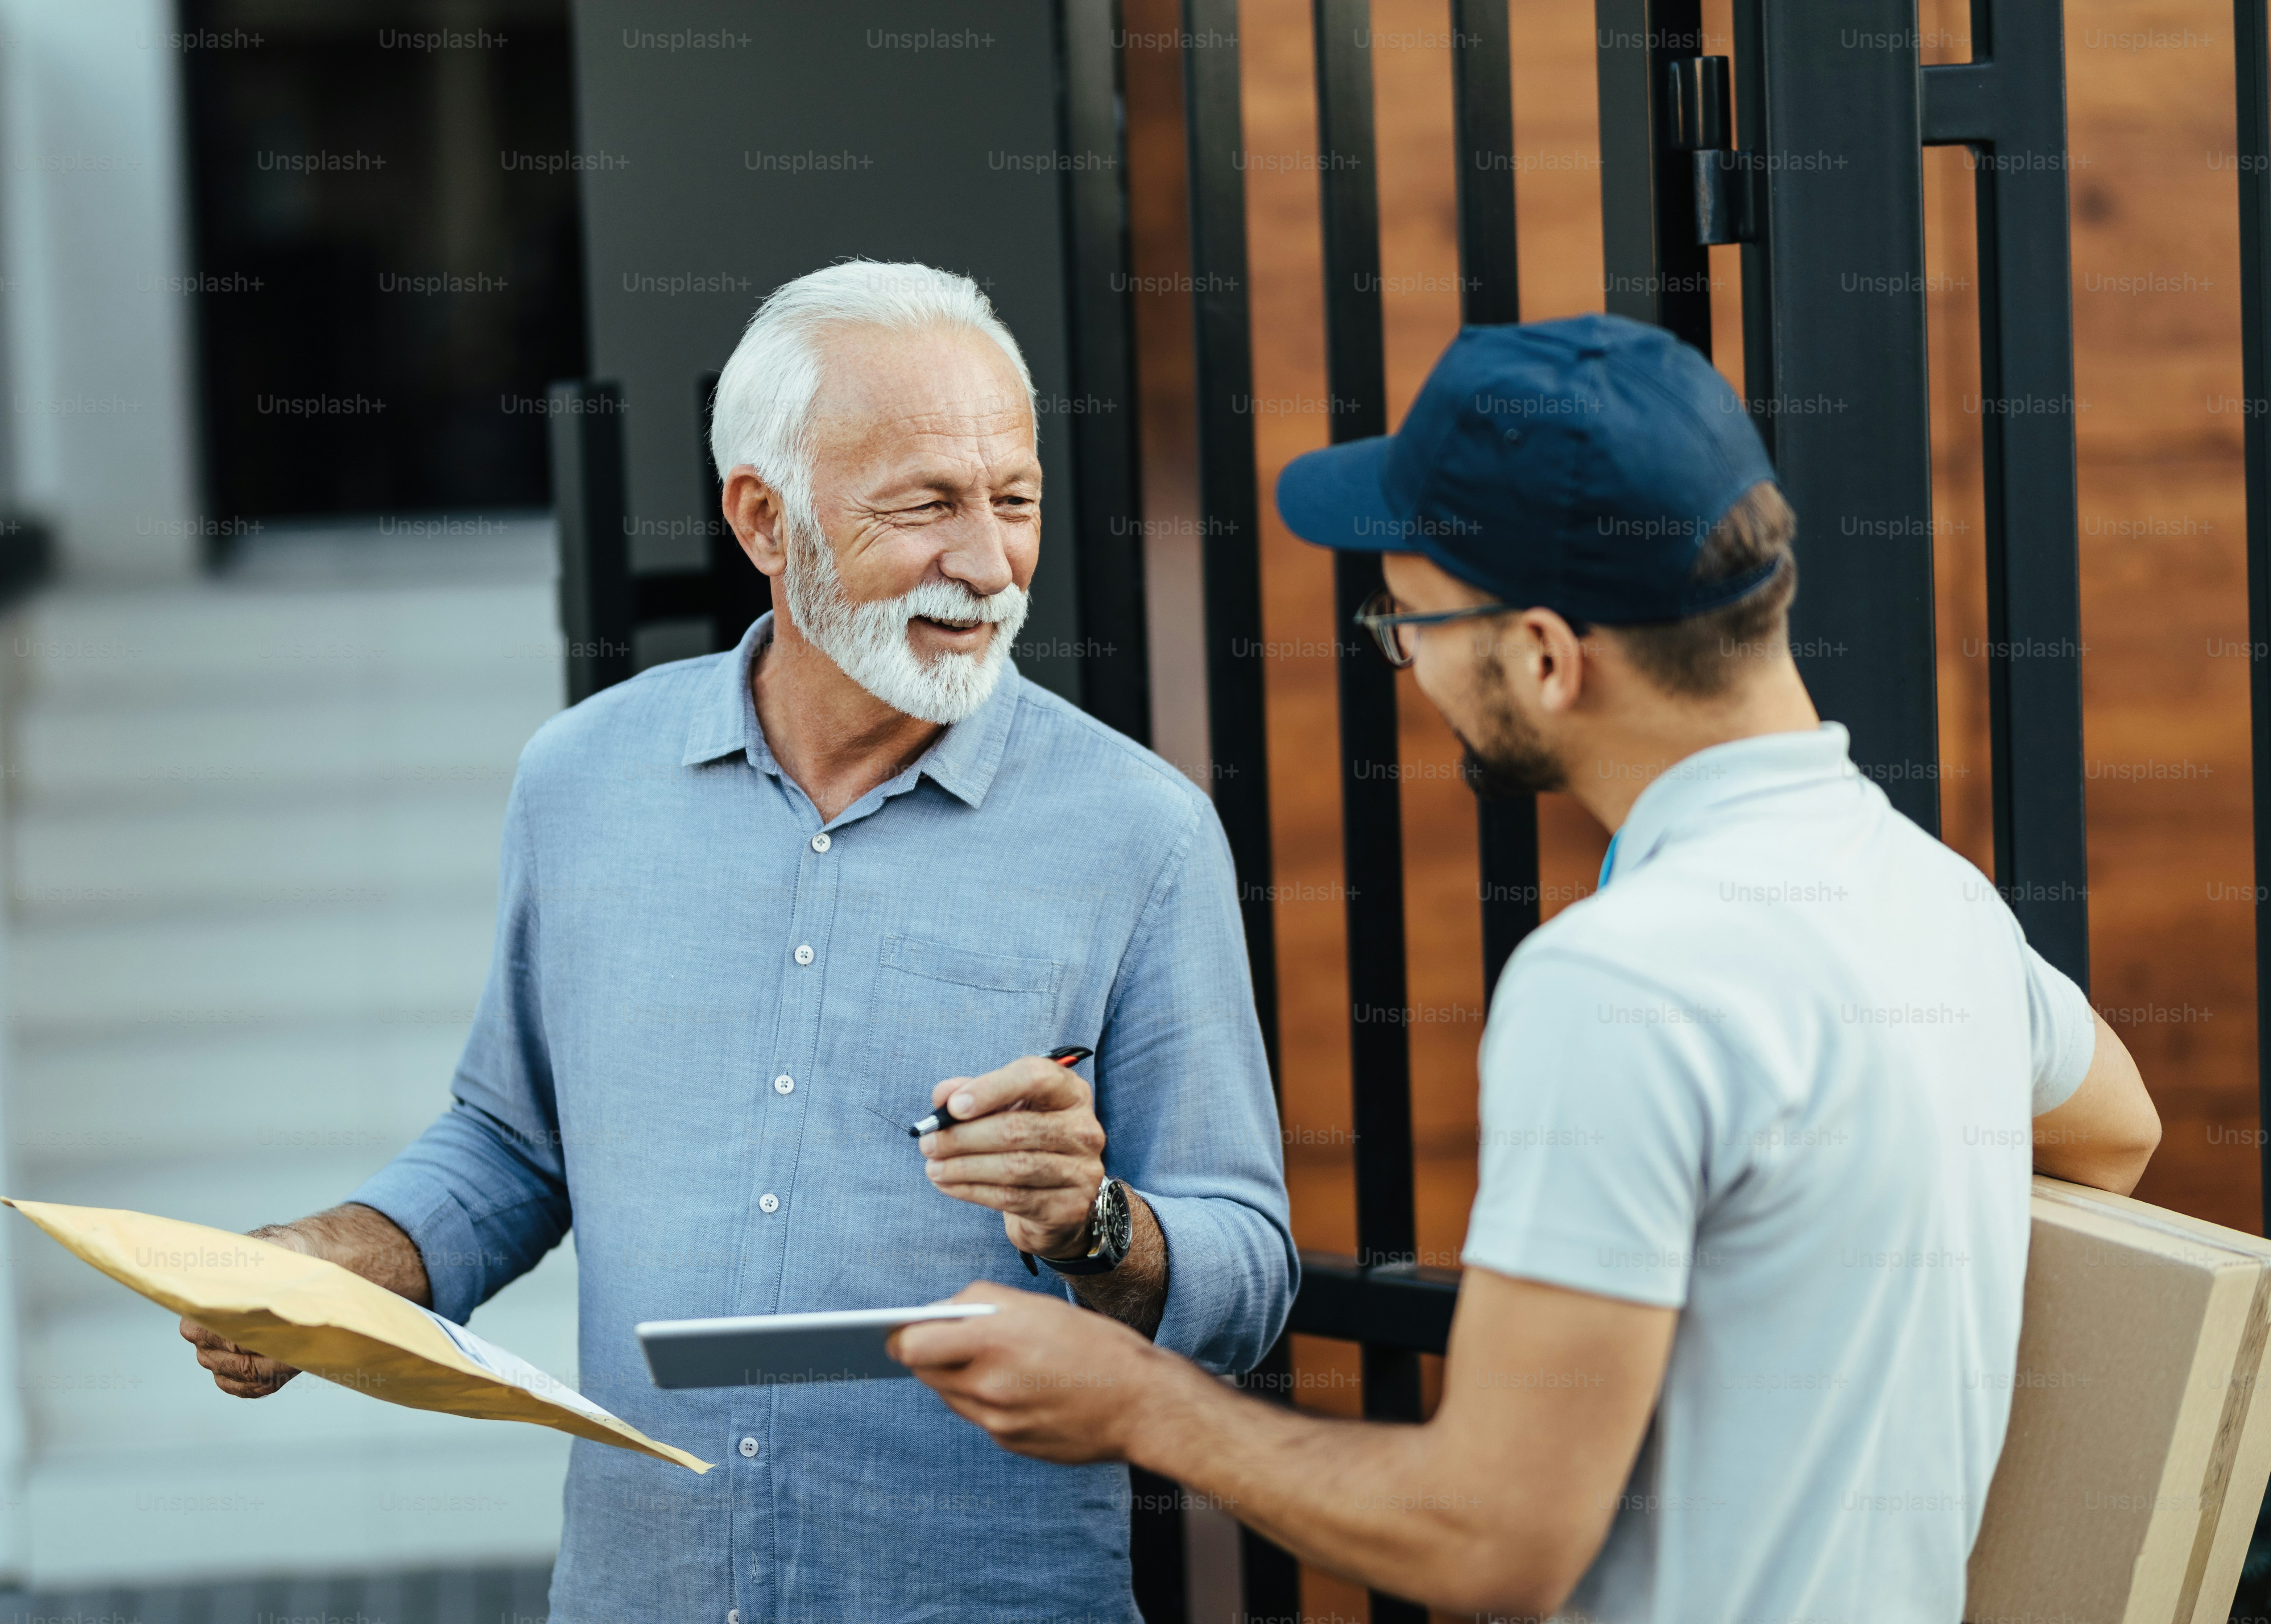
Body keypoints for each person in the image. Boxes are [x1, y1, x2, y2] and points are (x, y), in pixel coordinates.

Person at [893, 313, 2162, 1621]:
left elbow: (1495, 1539)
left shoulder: (1621, 980)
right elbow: (2117, 1135)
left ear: (1549, 657)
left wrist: (1136, 1402)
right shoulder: (1935, 899)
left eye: (1414, 620)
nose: (1412, 663)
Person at [179, 261, 1296, 1624]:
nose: (991, 564)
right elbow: (516, 1145)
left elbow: (1249, 1279)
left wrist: (1097, 1225)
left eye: (1016, 501)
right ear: (765, 519)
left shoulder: (1144, 834)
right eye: (926, 507)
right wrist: (337, 1261)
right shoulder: (582, 779)